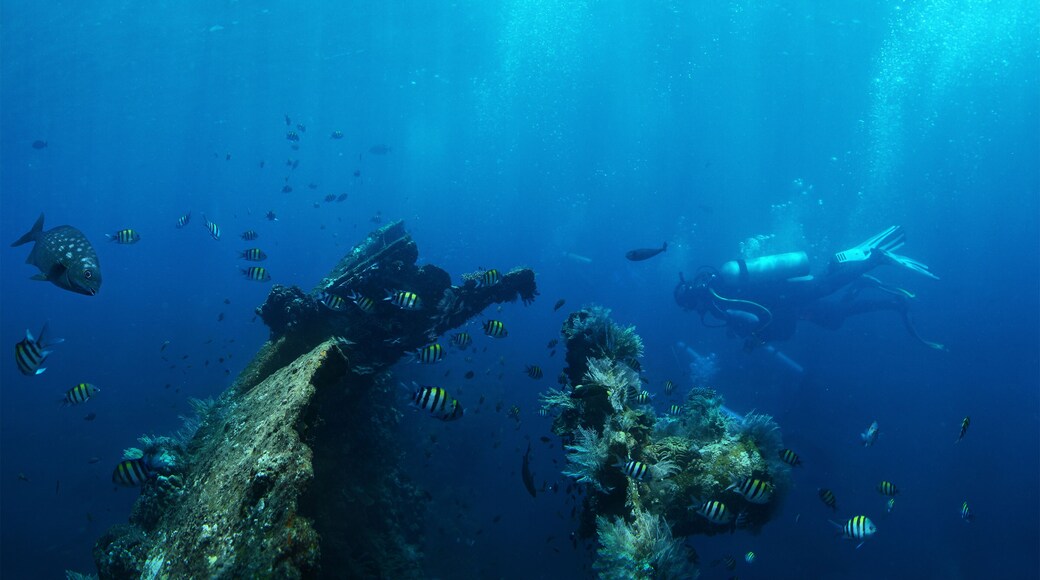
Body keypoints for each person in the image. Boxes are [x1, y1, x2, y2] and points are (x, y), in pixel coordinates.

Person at [674, 226, 945, 351]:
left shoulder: (717, 302)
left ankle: (874, 260)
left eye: (690, 308)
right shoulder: (718, 284)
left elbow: (755, 319)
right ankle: (852, 270)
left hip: (785, 296)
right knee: (826, 291)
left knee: (825, 287)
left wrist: (755, 338)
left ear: (692, 302)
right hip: (783, 292)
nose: (694, 311)